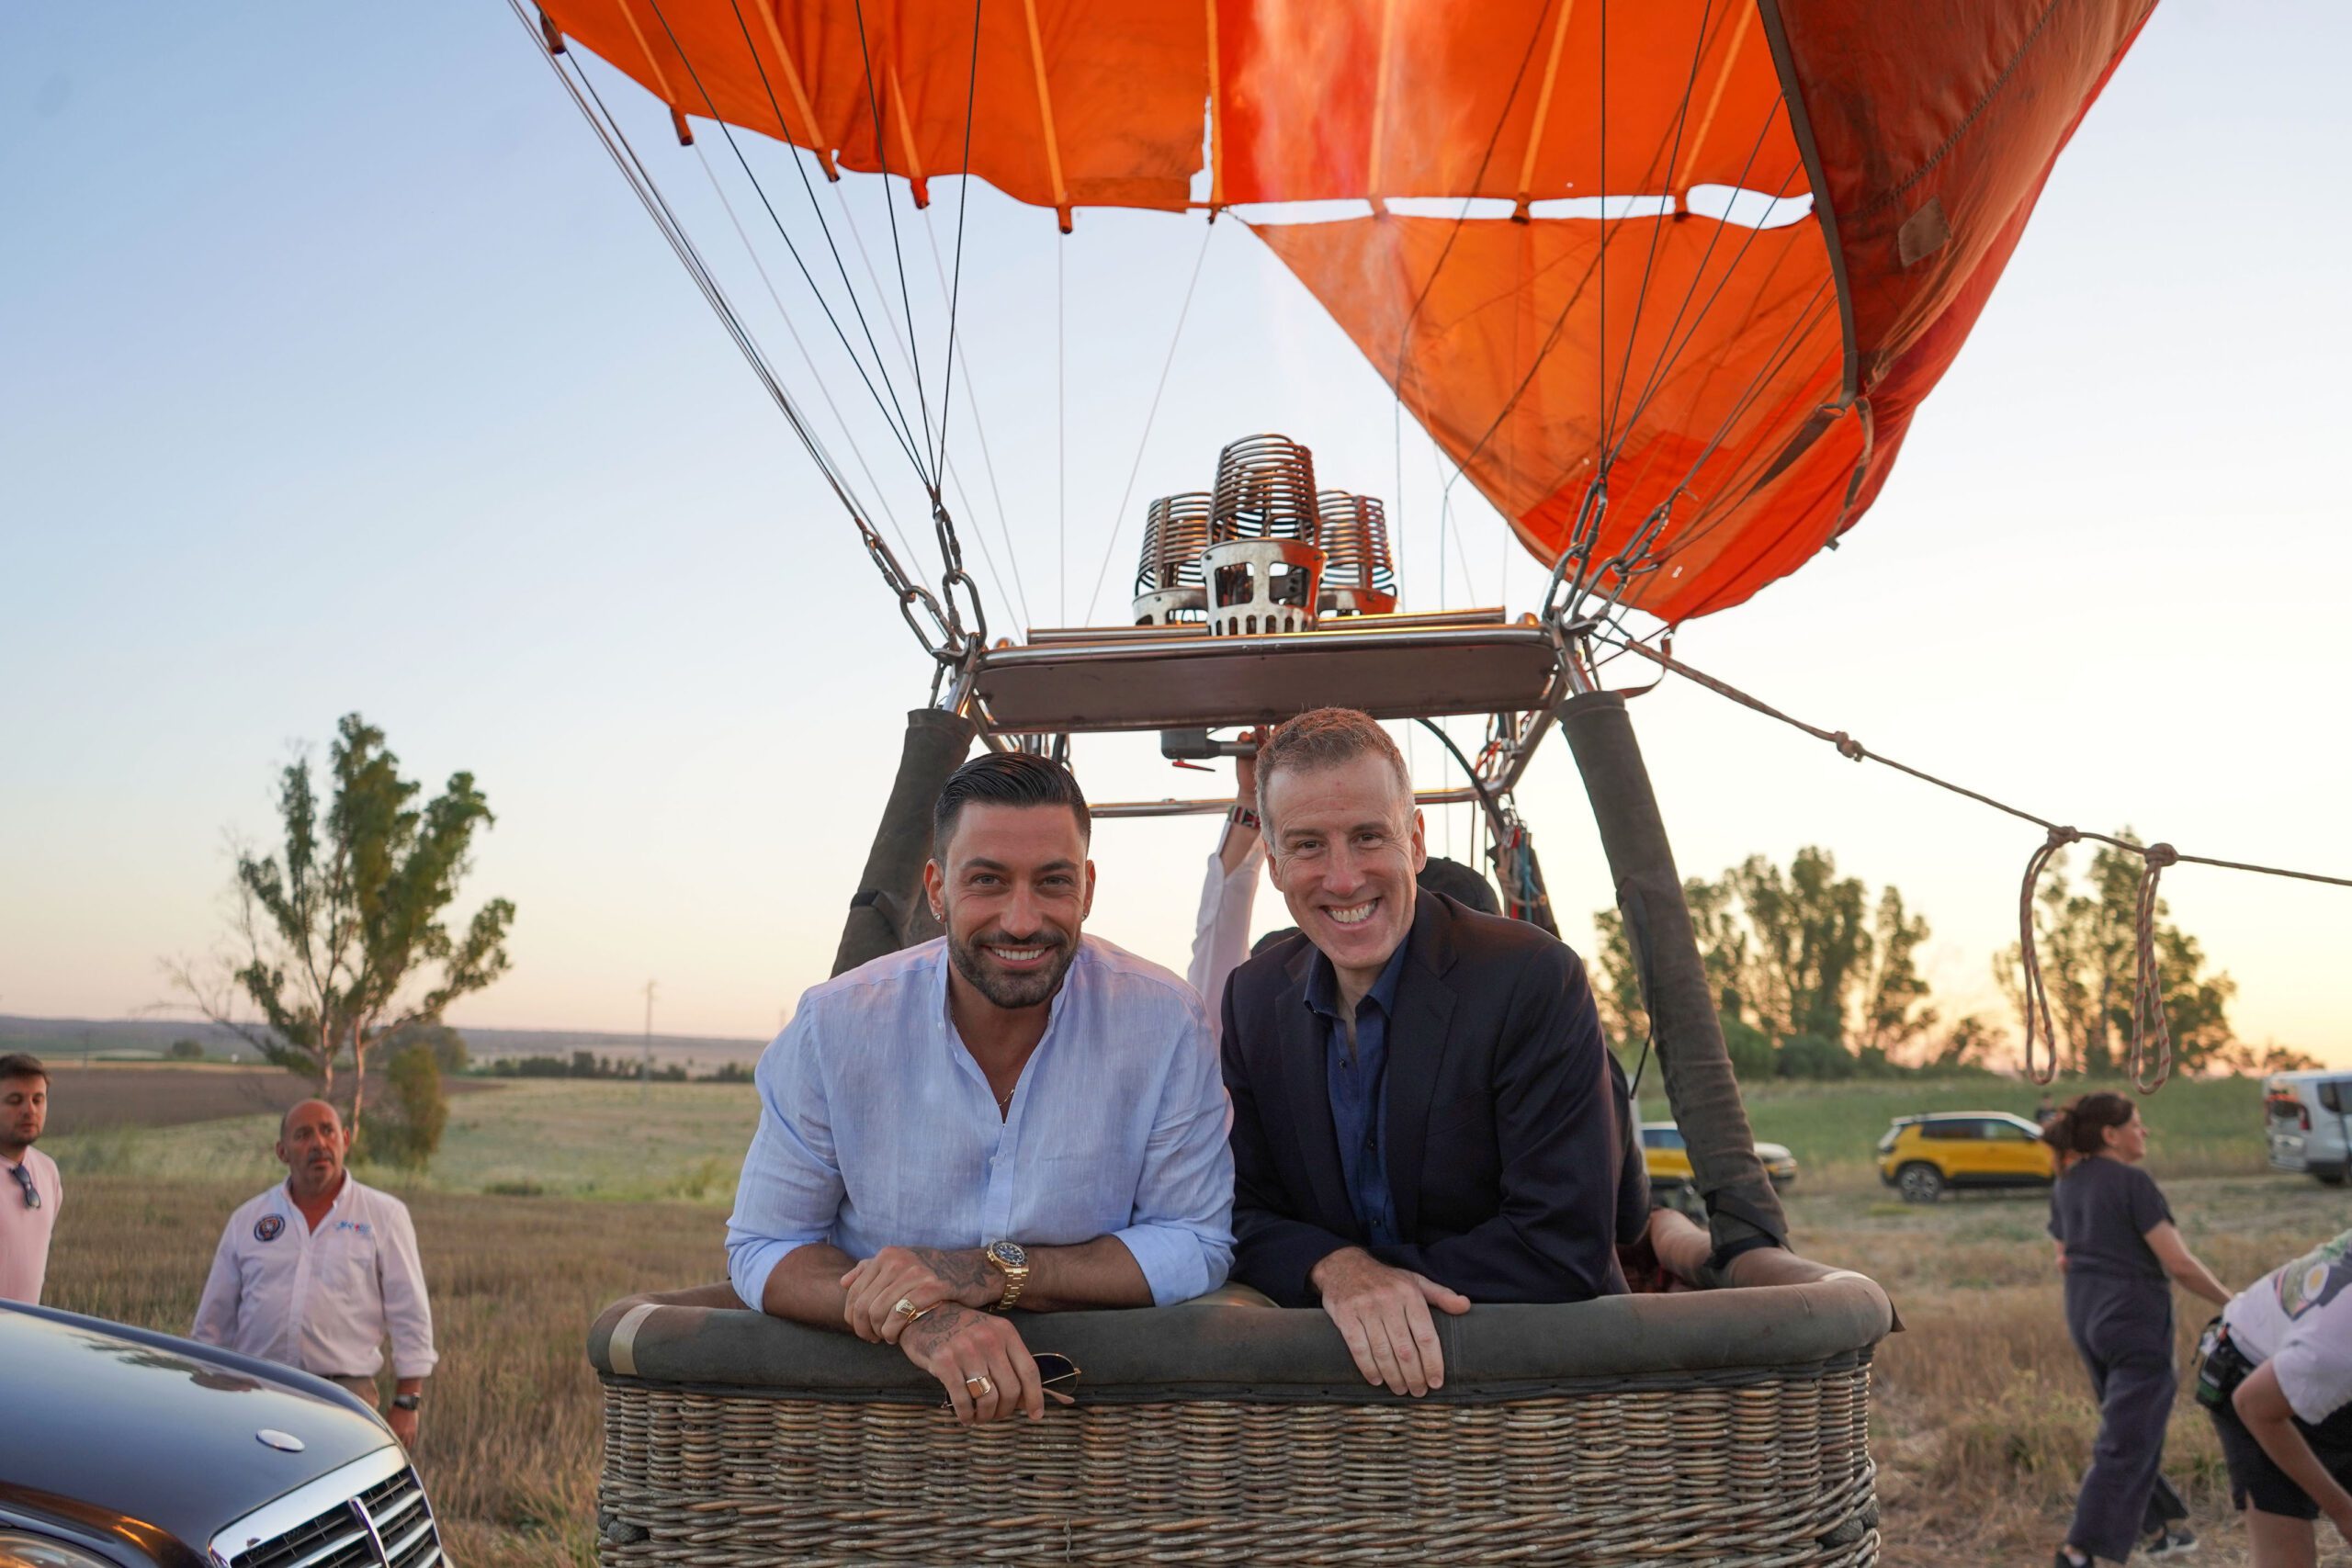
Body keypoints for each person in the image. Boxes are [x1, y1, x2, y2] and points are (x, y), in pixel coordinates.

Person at [727, 751, 1235, 1427]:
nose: (1021, 920)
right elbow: (764, 1243)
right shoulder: (836, 1026)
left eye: (1051, 882)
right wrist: (922, 1315)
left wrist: (992, 1270)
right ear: (937, 889)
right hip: (870, 1430)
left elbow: (1197, 1240)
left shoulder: (1166, 1021)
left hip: (1105, 1436)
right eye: (988, 881)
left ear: (1086, 886)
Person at [1220, 706, 1630, 1400]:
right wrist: (1335, 1269)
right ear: (1275, 861)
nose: (1344, 878)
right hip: (1338, 1411)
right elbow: (1237, 1211)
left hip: (1531, 1390)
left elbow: (1561, 1245)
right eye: (1310, 845)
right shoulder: (1253, 998)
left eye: (1368, 836)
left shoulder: (1531, 979)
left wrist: (1362, 1278)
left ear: (1414, 839)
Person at [2043, 1092, 2231, 1567]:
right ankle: (2079, 1550)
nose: (2143, 1132)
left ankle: (2161, 1528)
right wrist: (2237, 1304)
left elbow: (2063, 1257)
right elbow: (2179, 1264)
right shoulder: (2132, 1183)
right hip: (2133, 1321)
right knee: (2126, 1440)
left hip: (2085, 1316)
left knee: (2130, 1427)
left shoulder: (2067, 1184)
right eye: (2137, 1124)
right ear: (2111, 1134)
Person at [192, 1099, 437, 1449]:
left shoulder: (384, 1216)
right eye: (303, 1135)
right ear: (282, 1151)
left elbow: (410, 1313)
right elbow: (212, 1323)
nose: (318, 1143)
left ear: (346, 1140)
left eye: (327, 1131)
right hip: (256, 1393)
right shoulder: (248, 1220)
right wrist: (209, 1391)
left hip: (344, 1400)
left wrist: (407, 1401)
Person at [2201, 1227, 2352, 1566]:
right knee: (2287, 1557)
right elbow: (2253, 1406)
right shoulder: (2339, 1344)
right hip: (2251, 1375)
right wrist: (2344, 1512)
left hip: (2318, 1368)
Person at [0, 1055, 61, 1304]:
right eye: (15, 1100)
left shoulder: (47, 1172)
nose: (29, 1110)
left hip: (22, 1338)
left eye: (38, 1099)